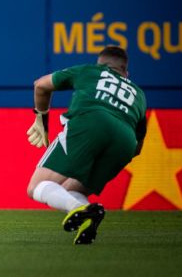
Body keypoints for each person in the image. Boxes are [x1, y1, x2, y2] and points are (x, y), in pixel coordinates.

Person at [26, 46, 147, 245]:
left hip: (91, 122)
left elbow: (40, 85)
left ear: (100, 64)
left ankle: (78, 210)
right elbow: (138, 147)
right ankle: (87, 220)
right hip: (125, 143)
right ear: (126, 72)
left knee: (36, 186)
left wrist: (41, 118)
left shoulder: (90, 71)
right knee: (74, 190)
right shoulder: (139, 95)